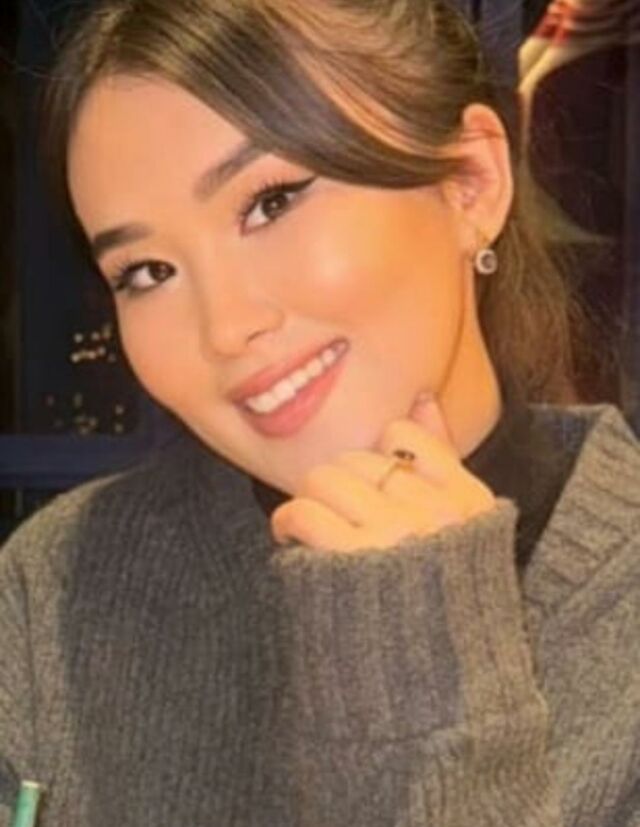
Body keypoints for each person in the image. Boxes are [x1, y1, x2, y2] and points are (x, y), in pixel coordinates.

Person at [1, 0, 639, 824]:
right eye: (149, 271)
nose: (226, 326)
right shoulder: (59, 587)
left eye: (271, 203)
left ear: (469, 181)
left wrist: (413, 657)